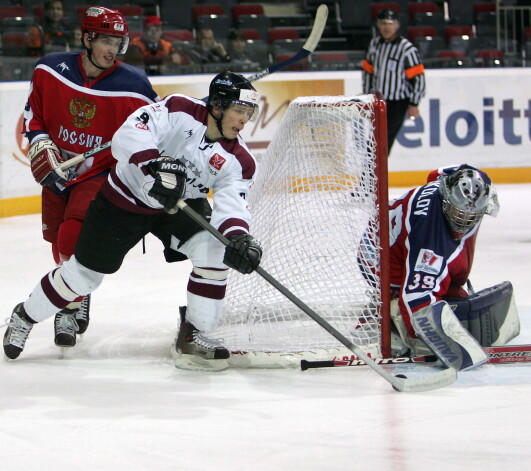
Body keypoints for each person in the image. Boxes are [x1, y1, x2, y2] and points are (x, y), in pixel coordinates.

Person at [4, 71, 263, 373]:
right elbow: (129, 133)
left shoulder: (240, 160)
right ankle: (24, 316)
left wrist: (239, 237)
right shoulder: (178, 109)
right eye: (239, 111)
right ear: (217, 107)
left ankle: (195, 332)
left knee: (216, 250)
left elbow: (232, 204)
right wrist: (153, 164)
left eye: (248, 113)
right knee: (83, 277)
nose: (244, 121)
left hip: (178, 207)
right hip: (123, 201)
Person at [22, 6, 159, 350]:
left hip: (98, 173)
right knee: (56, 242)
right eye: (107, 41)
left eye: (119, 42)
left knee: (72, 235)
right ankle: (74, 289)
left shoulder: (134, 84)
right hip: (57, 169)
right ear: (87, 38)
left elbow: (157, 124)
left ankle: (67, 307)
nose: (113, 50)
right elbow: (33, 117)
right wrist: (41, 145)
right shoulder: (49, 69)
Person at [360, 164, 519, 369]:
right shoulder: (429, 233)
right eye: (457, 213)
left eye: (471, 216)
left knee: (453, 285)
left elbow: (436, 174)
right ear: (445, 200)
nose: (463, 221)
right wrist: (434, 339)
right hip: (377, 255)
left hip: (398, 235)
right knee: (413, 305)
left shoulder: (455, 181)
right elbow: (416, 295)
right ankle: (383, 319)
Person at [361, 8, 426, 155]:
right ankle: (372, 176)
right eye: (383, 23)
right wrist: (366, 96)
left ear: (397, 25)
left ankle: (372, 176)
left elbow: (418, 77)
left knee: (381, 140)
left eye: (390, 23)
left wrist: (414, 103)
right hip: (378, 101)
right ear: (378, 25)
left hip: (397, 102)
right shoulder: (374, 44)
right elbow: (368, 72)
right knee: (375, 140)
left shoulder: (406, 48)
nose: (386, 27)